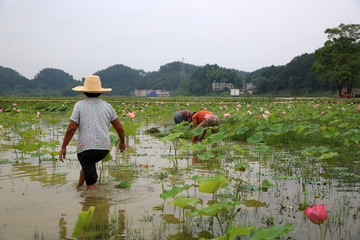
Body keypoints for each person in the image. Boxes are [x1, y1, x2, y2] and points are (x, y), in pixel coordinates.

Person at [59, 75, 126, 190]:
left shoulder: (79, 105)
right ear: (100, 92)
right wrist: (122, 142)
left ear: (84, 92)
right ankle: (79, 187)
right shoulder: (108, 106)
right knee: (87, 166)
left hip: (86, 148)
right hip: (103, 149)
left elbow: (71, 128)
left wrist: (63, 147)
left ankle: (92, 201)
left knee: (91, 182)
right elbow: (120, 128)